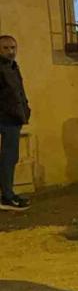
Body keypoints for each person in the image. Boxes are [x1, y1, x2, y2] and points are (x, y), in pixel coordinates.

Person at [0, 35, 31, 211]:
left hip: (13, 118)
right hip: (6, 117)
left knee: (9, 158)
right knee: (8, 158)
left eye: (13, 48)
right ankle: (7, 196)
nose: (11, 51)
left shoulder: (12, 66)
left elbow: (17, 92)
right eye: (6, 48)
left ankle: (7, 194)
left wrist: (25, 110)